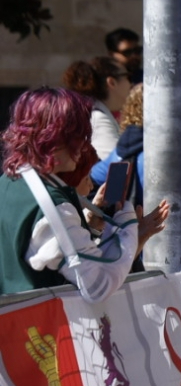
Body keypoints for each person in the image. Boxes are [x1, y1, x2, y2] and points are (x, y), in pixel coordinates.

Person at [0, 88, 169, 301]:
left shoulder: (10, 181)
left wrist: (90, 225)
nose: (83, 144)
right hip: (39, 329)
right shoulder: (49, 203)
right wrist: (127, 224)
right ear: (51, 138)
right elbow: (98, 286)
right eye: (76, 136)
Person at [62, 58, 131, 161]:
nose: (131, 83)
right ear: (112, 82)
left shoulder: (96, 113)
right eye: (127, 77)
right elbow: (118, 165)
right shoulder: (97, 119)